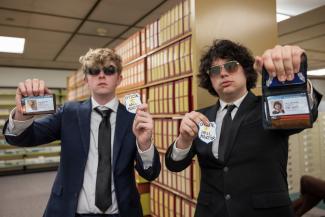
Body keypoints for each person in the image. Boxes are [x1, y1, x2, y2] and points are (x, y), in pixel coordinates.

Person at [165, 39, 322, 217]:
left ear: (246, 71)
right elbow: (174, 165)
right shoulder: (200, 118)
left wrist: (298, 79)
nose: (223, 74)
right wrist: (184, 140)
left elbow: (307, 113)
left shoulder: (269, 107)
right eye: (215, 70)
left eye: (231, 66)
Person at [3, 48, 161, 217]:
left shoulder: (135, 119)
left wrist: (145, 144)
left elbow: (150, 173)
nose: (101, 75)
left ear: (119, 78)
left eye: (109, 70)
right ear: (86, 79)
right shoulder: (68, 113)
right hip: (70, 212)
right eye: (94, 71)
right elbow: (19, 138)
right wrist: (22, 113)